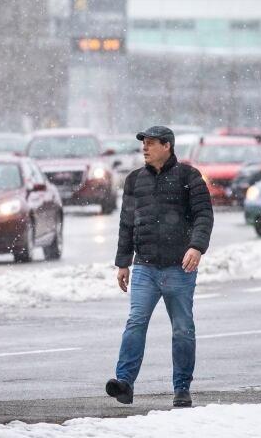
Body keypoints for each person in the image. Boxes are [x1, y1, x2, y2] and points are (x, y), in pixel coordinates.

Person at [106, 125, 214, 407]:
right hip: (145, 266)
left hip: (179, 267)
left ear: (167, 146)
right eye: (143, 143)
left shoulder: (189, 177)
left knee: (182, 328)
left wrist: (196, 247)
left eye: (151, 143)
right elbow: (127, 223)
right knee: (136, 321)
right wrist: (122, 263)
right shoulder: (133, 180)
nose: (144, 148)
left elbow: (204, 215)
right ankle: (124, 383)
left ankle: (181, 389)